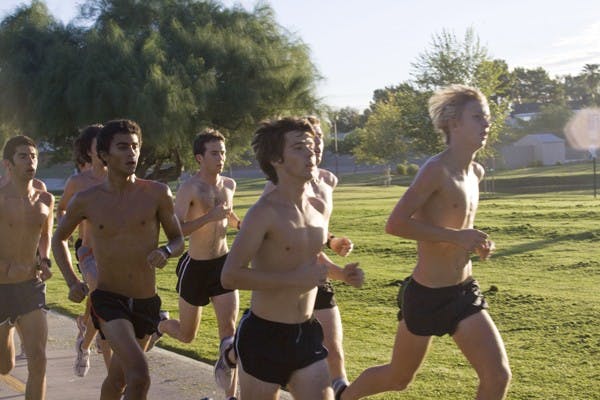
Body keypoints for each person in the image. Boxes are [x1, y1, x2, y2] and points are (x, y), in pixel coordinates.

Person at [337, 85, 511, 400]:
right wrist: (458, 237)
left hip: (463, 291)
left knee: (497, 375)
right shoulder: (436, 170)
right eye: (478, 117)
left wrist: (475, 242)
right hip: (426, 295)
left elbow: (458, 225)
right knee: (398, 377)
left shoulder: (476, 173)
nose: (486, 124)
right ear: (454, 123)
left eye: (487, 118)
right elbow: (396, 223)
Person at [52, 119, 184, 400]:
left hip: (146, 301)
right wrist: (72, 281)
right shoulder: (87, 199)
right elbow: (58, 238)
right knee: (140, 373)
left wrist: (166, 251)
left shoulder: (157, 193)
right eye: (122, 147)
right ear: (103, 154)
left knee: (118, 378)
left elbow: (178, 239)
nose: (132, 153)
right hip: (108, 299)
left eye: (135, 147)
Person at [221, 117, 335, 399]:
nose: (310, 153)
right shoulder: (263, 213)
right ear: (276, 159)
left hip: (306, 333)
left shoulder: (318, 208)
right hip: (264, 336)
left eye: (310, 146)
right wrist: (292, 280)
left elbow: (308, 255)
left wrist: (342, 273)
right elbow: (230, 275)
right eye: (299, 148)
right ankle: (231, 352)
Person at [275, 116, 360, 393]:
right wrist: (341, 273)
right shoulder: (281, 184)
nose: (318, 145)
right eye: (310, 141)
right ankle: (234, 356)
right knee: (281, 360)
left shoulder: (328, 181)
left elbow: (317, 229)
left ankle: (340, 390)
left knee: (334, 350)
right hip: (286, 280)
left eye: (320, 139)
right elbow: (294, 240)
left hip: (318, 274)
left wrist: (332, 240)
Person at [156, 128, 241, 400]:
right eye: (214, 153)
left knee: (230, 334)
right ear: (199, 158)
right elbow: (176, 230)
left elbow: (228, 214)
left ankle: (230, 396)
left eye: (223, 152)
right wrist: (209, 217)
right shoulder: (189, 188)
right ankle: (159, 323)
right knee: (186, 335)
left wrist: (241, 224)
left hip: (223, 266)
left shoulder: (229, 185)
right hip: (195, 267)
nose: (221, 158)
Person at [0, 135, 54, 400]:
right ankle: (6, 332)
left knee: (39, 359)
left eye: (33, 156)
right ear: (7, 164)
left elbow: (45, 236)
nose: (31, 161)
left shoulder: (45, 199)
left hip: (30, 287)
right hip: (1, 288)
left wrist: (44, 260)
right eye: (23, 156)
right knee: (5, 365)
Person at [56, 124, 112, 377]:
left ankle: (85, 341)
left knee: (101, 306)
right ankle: (112, 375)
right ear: (89, 152)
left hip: (116, 253)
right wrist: (66, 226)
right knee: (102, 299)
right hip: (88, 250)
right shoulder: (78, 181)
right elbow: (63, 208)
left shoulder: (118, 176)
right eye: (98, 144)